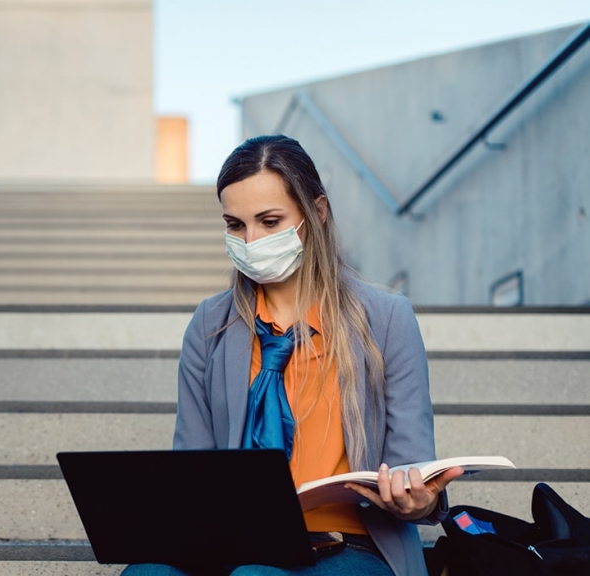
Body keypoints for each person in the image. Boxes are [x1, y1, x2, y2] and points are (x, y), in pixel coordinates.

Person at [122, 135, 462, 576]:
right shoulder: (209, 324)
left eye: (269, 221)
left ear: (316, 213)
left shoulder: (387, 320)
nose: (250, 240)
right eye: (235, 225)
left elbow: (411, 466)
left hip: (351, 546)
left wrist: (420, 500)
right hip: (236, 541)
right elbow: (194, 469)